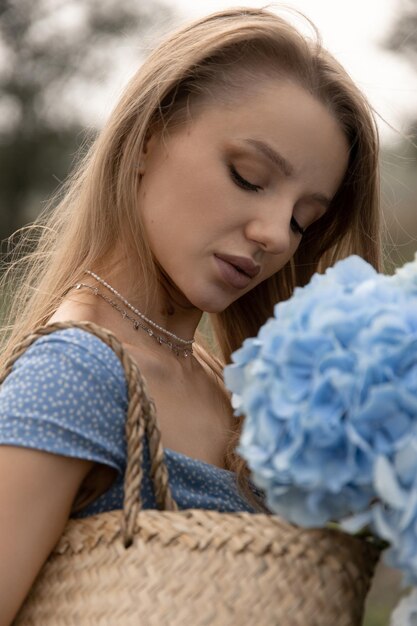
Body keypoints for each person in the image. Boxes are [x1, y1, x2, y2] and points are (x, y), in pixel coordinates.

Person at [0, 6, 381, 624]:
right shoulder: (79, 372)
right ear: (149, 136)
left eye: (301, 219)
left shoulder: (231, 387)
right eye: (249, 177)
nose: (275, 237)